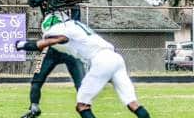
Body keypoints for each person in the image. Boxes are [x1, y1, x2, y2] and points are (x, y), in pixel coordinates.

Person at [16, 11, 151, 118]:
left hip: (101, 60)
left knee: (82, 106)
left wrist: (22, 45)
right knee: (132, 103)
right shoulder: (74, 24)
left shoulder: (61, 31)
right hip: (115, 58)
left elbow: (43, 44)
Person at [20, 0, 89, 118]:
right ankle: (85, 112)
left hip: (51, 44)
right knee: (81, 84)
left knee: (37, 79)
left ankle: (34, 107)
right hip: (71, 45)